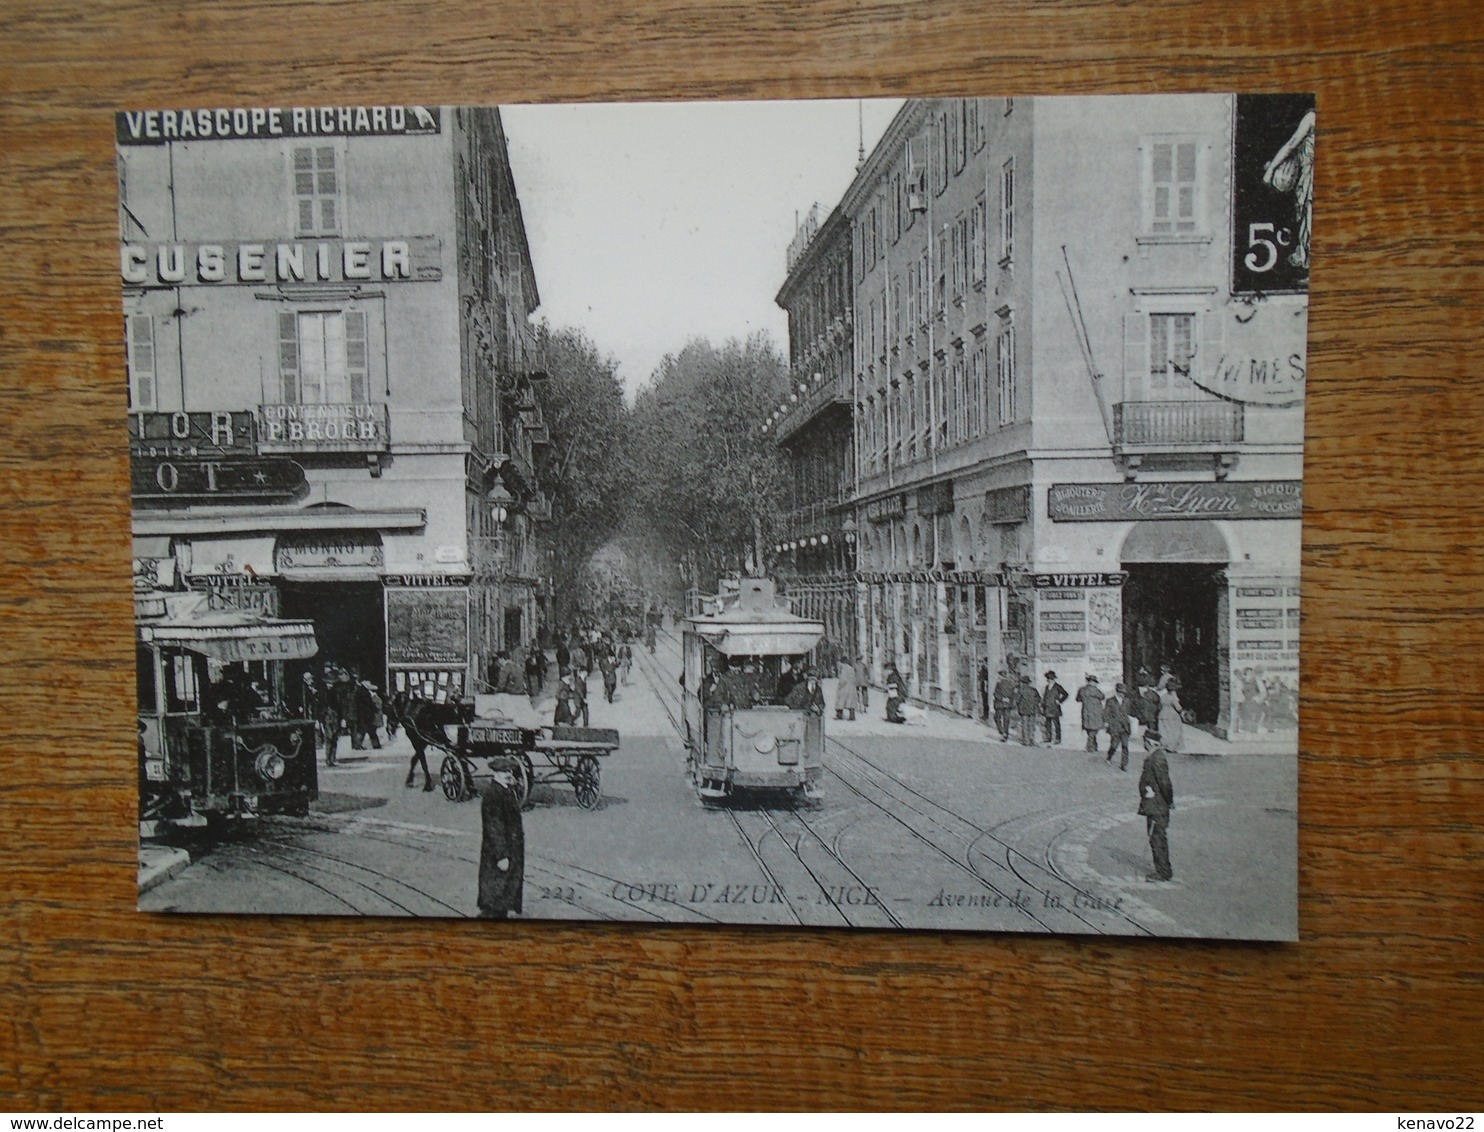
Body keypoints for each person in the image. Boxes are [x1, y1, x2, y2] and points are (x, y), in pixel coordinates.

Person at [477, 766, 525, 919]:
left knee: (504, 891)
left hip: (510, 849)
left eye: (509, 772)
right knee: (496, 891)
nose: (508, 775)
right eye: (504, 772)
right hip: (499, 852)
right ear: (496, 774)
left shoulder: (505, 790)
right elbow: (494, 827)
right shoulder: (493, 794)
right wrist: (501, 855)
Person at [1137, 733, 1175, 881]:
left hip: (1157, 807)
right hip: (1155, 805)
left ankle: (1163, 872)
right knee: (1156, 838)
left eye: (1144, 741)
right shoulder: (1153, 757)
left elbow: (1165, 783)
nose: (1143, 743)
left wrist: (1169, 800)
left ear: (1149, 742)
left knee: (1157, 839)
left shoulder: (1157, 759)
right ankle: (1162, 870)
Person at [1103, 682, 1135, 771]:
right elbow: (1106, 712)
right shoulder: (1110, 701)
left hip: (1125, 726)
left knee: (1125, 746)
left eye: (1124, 693)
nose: (1123, 694)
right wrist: (1106, 722)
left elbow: (1129, 712)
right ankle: (1109, 757)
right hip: (1115, 726)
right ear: (1117, 691)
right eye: (1121, 692)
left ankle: (1124, 764)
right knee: (1114, 745)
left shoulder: (1127, 701)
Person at [1076, 674, 1106, 753]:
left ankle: (1094, 745)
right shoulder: (1096, 690)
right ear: (1093, 682)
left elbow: (1078, 699)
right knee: (1094, 730)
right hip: (1096, 712)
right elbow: (1103, 696)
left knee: (1090, 729)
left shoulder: (1082, 690)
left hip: (1086, 712)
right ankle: (1090, 746)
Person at [1157, 677, 1186, 752]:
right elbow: (1178, 707)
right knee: (1174, 732)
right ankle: (1172, 747)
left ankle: (1165, 745)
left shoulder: (1163, 696)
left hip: (1162, 715)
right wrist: (1182, 711)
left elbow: (1159, 706)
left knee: (1165, 731)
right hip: (1172, 716)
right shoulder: (1174, 696)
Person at [353, 679, 383, 750]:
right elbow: (368, 703)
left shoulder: (359, 691)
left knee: (366, 730)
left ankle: (358, 745)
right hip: (366, 714)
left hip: (362, 714)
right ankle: (375, 745)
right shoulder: (364, 692)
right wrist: (374, 708)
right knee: (367, 730)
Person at [1041, 670, 1068, 745]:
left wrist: (1059, 701)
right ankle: (1048, 738)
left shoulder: (1058, 687)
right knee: (1048, 724)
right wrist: (1043, 706)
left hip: (1055, 708)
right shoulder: (1046, 687)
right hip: (1047, 708)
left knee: (1056, 724)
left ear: (1053, 679)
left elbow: (1066, 694)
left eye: (1050, 679)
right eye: (1048, 679)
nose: (1048, 680)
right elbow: (1045, 697)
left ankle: (1058, 739)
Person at [991, 667, 1016, 742]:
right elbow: (1013, 694)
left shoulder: (998, 684)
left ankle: (1001, 731)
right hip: (1008, 704)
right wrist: (1009, 700)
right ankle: (1005, 733)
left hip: (999, 704)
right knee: (1006, 719)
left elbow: (995, 693)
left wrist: (1002, 698)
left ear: (1001, 676)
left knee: (997, 718)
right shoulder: (1012, 684)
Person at [1015, 674, 1041, 746]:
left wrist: (1019, 707)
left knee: (1025, 725)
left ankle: (1026, 741)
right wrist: (1034, 703)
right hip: (1033, 710)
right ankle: (1031, 740)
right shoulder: (1034, 690)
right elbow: (1039, 699)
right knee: (1032, 725)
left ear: (1023, 683)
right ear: (1029, 683)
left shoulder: (1021, 690)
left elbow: (1017, 700)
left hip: (1024, 710)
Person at [834, 655, 858, 721]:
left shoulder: (843, 667)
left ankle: (839, 715)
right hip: (851, 687)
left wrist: (840, 685)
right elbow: (854, 677)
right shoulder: (851, 668)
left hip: (844, 687)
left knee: (840, 701)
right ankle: (852, 716)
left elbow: (843, 679)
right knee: (851, 702)